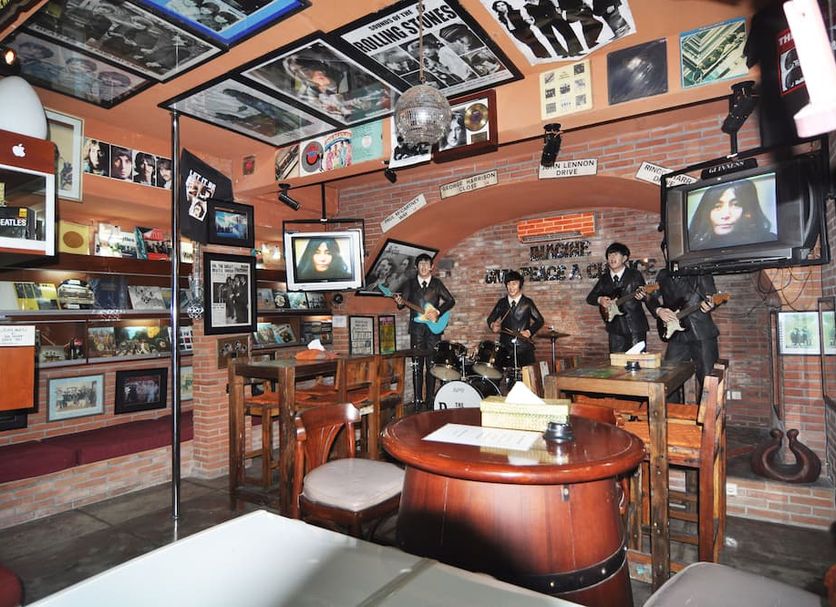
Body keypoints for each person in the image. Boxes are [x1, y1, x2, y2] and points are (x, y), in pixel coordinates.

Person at [393, 254, 456, 409]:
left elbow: (450, 301)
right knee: (417, 365)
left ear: (431, 267)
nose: (423, 267)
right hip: (416, 330)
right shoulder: (409, 283)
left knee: (431, 365)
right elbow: (401, 304)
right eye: (421, 264)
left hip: (434, 330)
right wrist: (399, 302)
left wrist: (438, 312)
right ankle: (417, 401)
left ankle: (429, 401)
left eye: (426, 264)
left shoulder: (437, 283)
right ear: (416, 267)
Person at [647, 269, 719, 402]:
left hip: (701, 333)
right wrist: (659, 310)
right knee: (668, 378)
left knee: (708, 380)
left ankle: (709, 415)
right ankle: (673, 412)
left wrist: (711, 304)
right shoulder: (663, 274)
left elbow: (712, 296)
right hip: (677, 335)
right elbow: (650, 296)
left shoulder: (700, 271)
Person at [586, 242, 650, 353]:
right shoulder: (605, 278)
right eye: (609, 255)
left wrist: (643, 296)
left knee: (636, 360)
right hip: (614, 328)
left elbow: (647, 296)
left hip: (635, 326)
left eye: (615, 254)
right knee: (616, 361)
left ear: (624, 258)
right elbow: (590, 298)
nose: (612, 258)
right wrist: (600, 300)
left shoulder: (634, 275)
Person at [486, 270, 544, 377]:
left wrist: (529, 331)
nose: (511, 287)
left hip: (524, 348)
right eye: (508, 284)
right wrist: (492, 325)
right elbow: (490, 319)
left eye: (514, 284)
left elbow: (540, 320)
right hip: (505, 348)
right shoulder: (502, 303)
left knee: (527, 378)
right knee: (505, 378)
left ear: (520, 285)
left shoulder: (527, 302)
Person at [688, 180, 776, 250]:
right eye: (717, 206)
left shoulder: (769, 241)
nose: (725, 215)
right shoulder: (696, 247)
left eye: (736, 205)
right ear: (706, 212)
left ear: (748, 211)